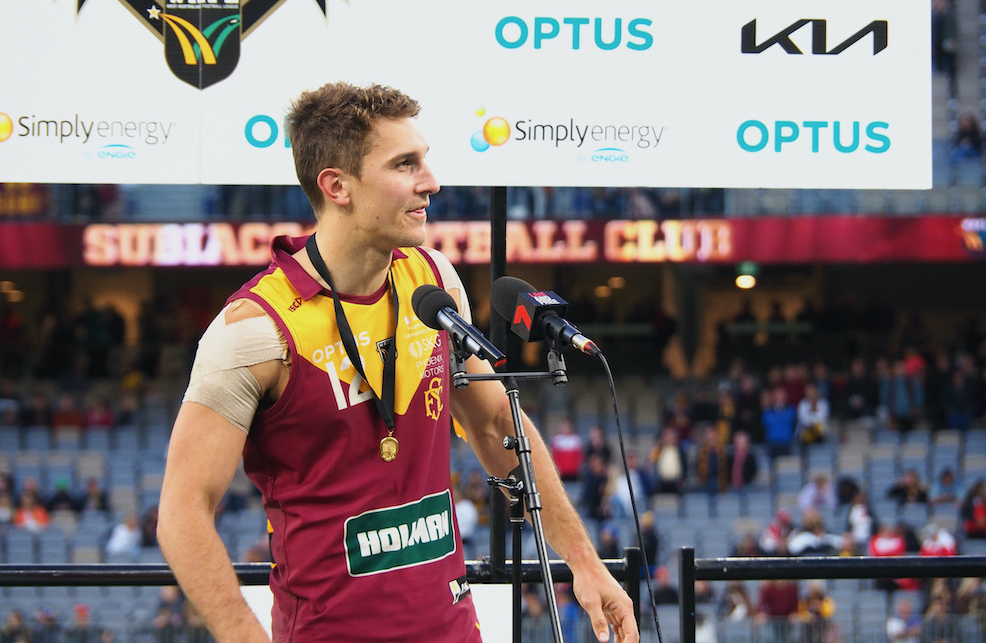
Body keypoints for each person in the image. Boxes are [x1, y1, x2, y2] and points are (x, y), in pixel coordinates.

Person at [156, 82, 638, 643]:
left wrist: (582, 559)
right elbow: (183, 511)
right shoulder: (253, 329)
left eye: (424, 160)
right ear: (337, 186)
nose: (431, 182)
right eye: (405, 164)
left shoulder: (433, 279)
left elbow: (494, 424)